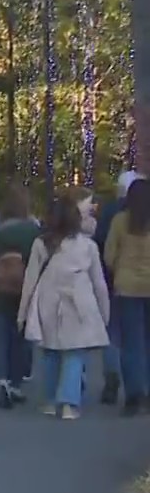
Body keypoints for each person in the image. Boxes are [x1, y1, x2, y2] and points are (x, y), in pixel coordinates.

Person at [18, 189, 110, 419]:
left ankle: (50, 401)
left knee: (50, 350)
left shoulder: (41, 243)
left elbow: (30, 280)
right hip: (79, 301)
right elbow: (99, 283)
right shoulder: (88, 246)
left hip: (48, 299)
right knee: (74, 353)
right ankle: (69, 403)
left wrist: (23, 313)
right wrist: (104, 312)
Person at [0, 185, 43, 408]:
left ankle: (3, 381)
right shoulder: (35, 234)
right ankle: (17, 382)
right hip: (26, 291)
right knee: (21, 338)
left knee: (0, 339)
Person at [94, 170, 140, 403]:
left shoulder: (112, 213)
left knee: (114, 333)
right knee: (142, 337)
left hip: (117, 281)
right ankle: (143, 386)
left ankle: (113, 377)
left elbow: (104, 247)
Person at [105, 178, 150, 415]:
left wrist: (119, 271)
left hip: (128, 287)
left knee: (131, 344)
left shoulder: (121, 221)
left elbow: (109, 255)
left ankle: (134, 395)